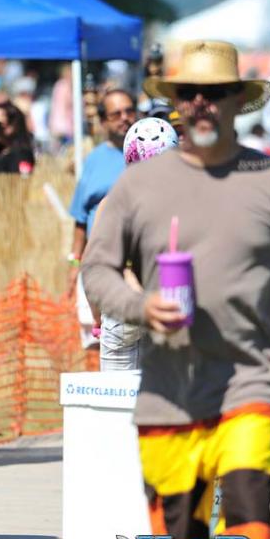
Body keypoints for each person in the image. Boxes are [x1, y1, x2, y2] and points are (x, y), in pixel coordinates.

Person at [82, 40, 270, 539]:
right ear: (177, 103)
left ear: (238, 99)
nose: (201, 103)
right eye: (189, 93)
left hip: (250, 384)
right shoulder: (140, 185)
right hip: (169, 394)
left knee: (246, 520)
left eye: (214, 93)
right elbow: (96, 270)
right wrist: (139, 304)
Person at [93, 117, 179, 372]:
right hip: (167, 305)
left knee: (115, 394)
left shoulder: (111, 203)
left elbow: (94, 264)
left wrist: (98, 317)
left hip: (121, 308)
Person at [66, 90, 136, 351]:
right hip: (100, 263)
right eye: (116, 114)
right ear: (104, 121)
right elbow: (81, 218)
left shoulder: (151, 152)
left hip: (135, 267)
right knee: (103, 343)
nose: (124, 118)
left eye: (129, 111)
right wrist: (75, 263)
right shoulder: (94, 160)